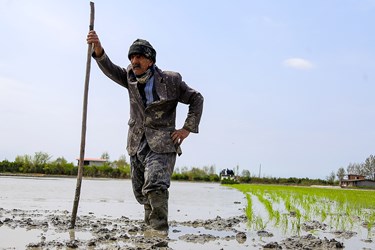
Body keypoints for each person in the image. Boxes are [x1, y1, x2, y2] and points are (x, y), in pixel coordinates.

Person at [87, 31, 204, 231]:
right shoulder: (129, 77)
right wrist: (98, 49)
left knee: (155, 185)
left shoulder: (171, 80)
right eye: (132, 57)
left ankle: (158, 231)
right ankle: (149, 228)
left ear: (150, 60)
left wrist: (186, 129)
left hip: (162, 143)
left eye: (139, 57)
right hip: (136, 142)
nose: (134, 61)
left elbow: (197, 99)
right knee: (141, 191)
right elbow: (109, 69)